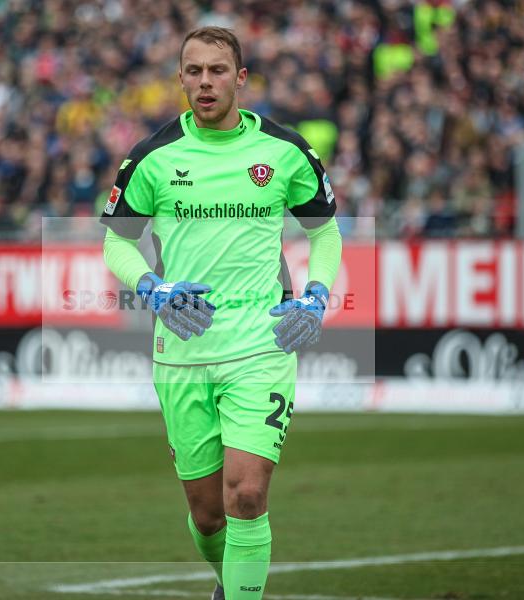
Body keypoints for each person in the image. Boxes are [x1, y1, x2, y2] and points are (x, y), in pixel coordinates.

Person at [100, 27, 342, 600]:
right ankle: (227, 584)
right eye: (193, 71)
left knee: (248, 497)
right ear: (181, 78)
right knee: (209, 516)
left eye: (216, 71)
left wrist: (315, 293)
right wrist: (152, 288)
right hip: (182, 351)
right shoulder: (152, 157)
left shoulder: (285, 152)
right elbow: (116, 242)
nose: (204, 82)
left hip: (262, 342)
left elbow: (325, 230)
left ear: (241, 79)